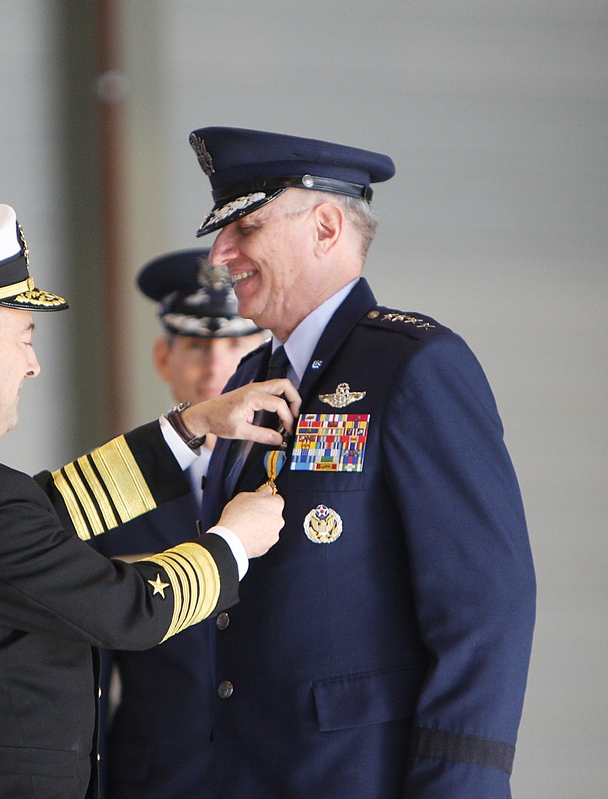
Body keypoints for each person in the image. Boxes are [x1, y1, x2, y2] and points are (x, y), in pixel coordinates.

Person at [0, 203, 300, 799]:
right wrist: (235, 540)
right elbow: (129, 610)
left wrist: (191, 426)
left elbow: (48, 510)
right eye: (25, 338)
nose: (33, 365)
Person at [186, 127, 537, 797]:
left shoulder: (412, 364)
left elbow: (487, 605)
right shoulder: (248, 384)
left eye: (246, 228)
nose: (219, 252)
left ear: (324, 227)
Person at [89, 250, 266, 797]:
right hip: (155, 779)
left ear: (267, 357)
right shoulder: (112, 487)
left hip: (278, 769)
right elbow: (92, 662)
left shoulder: (300, 479)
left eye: (236, 344)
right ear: (163, 359)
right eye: (196, 346)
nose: (216, 367)